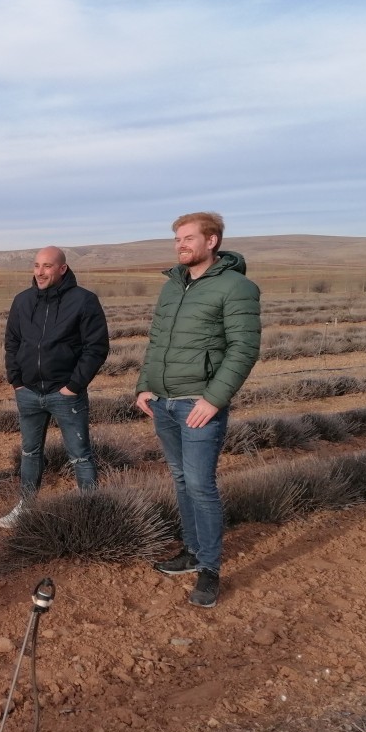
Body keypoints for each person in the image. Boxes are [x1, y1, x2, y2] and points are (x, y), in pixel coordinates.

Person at [135, 212, 261, 608]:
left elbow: (244, 349)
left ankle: (210, 568)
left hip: (199, 404)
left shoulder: (236, 287)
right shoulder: (173, 286)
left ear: (212, 241)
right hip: (164, 402)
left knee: (201, 484)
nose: (180, 245)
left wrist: (213, 399)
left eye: (188, 238)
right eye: (176, 238)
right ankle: (191, 551)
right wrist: (144, 386)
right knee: (180, 479)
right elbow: (158, 340)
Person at [0, 247, 110, 528]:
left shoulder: (84, 301)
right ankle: (26, 506)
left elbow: (96, 348)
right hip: (29, 393)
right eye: (36, 265)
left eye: (47, 266)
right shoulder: (22, 301)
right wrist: (17, 381)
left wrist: (74, 386)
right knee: (30, 453)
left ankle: (90, 512)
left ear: (62, 269)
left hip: (66, 393)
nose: (40, 272)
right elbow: (12, 342)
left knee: (80, 455)